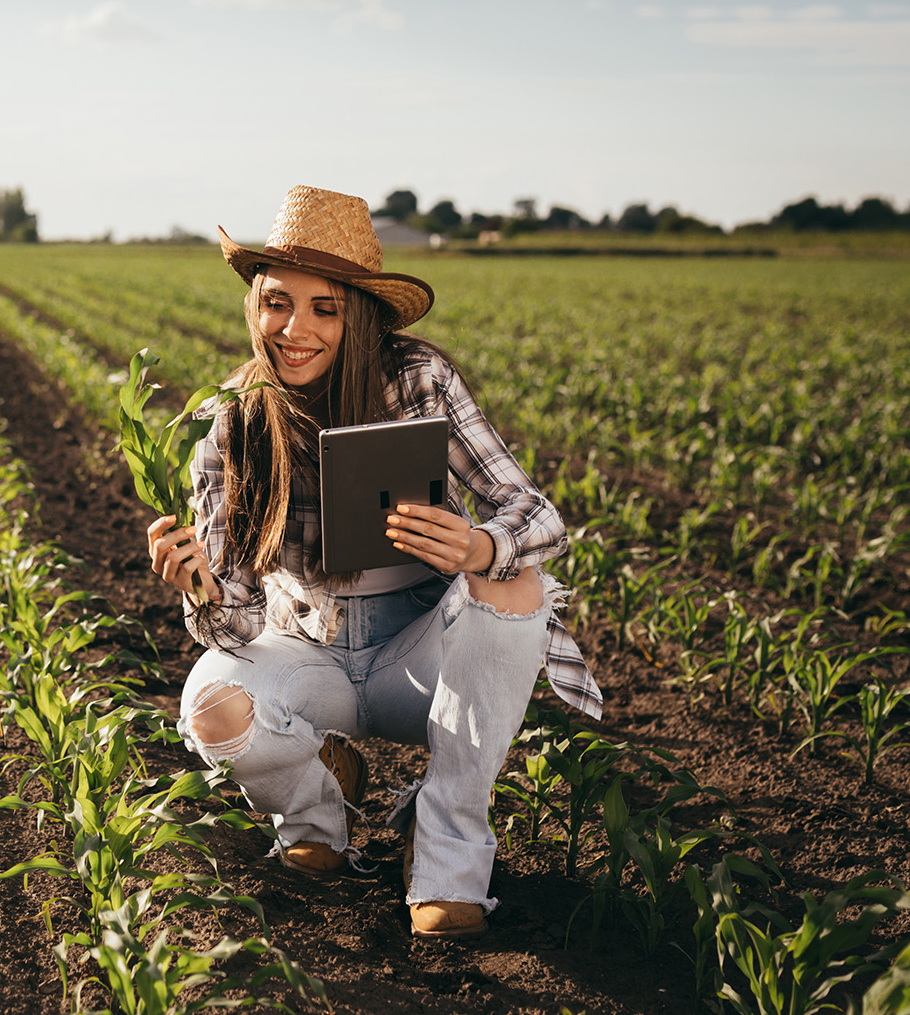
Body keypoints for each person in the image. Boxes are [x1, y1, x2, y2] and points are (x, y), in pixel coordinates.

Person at [145, 185, 602, 940]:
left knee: (516, 582)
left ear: (359, 313)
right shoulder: (232, 415)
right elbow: (241, 619)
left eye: (325, 308)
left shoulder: (414, 379)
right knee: (213, 713)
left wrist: (478, 546)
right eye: (276, 303)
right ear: (253, 306)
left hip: (418, 658)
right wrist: (198, 583)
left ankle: (447, 853)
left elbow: (539, 516)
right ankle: (320, 801)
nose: (295, 329)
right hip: (306, 652)